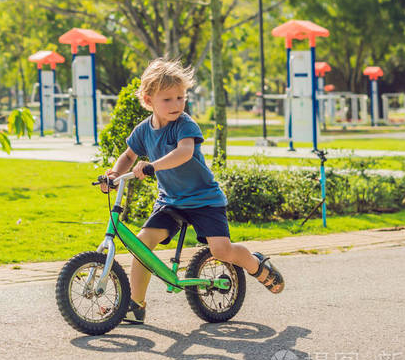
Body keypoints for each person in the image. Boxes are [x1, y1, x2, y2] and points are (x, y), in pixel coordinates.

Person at [101, 58, 284, 325]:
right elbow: (128, 156)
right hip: (171, 202)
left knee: (221, 251)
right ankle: (135, 304)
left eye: (180, 97)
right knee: (142, 245)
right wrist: (114, 174)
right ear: (148, 99)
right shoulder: (143, 130)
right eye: (168, 99)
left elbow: (185, 153)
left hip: (204, 200)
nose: (176, 105)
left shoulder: (185, 125)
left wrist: (152, 166)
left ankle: (255, 264)